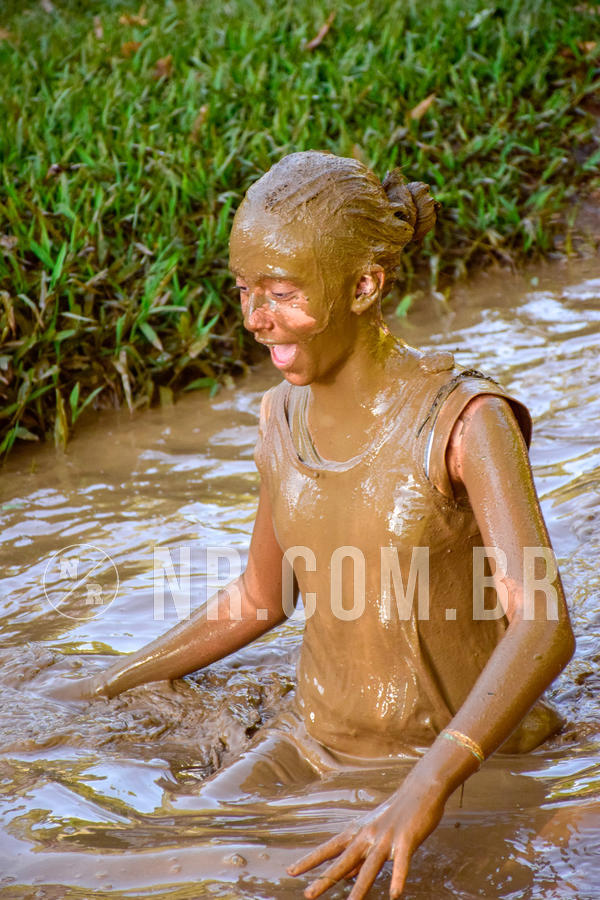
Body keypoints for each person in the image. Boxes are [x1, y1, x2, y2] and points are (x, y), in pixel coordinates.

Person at [68, 151, 575, 899]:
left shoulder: (467, 421)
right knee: (153, 863)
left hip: (464, 758)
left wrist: (425, 788)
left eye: (281, 293)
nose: (255, 318)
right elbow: (259, 597)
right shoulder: (277, 417)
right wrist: (103, 686)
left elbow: (543, 626)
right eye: (244, 290)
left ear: (365, 284)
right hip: (310, 744)